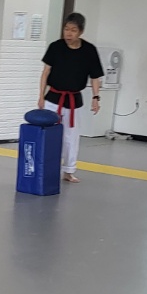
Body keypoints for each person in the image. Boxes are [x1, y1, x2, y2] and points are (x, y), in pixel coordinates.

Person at [37, 13, 104, 184]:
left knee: (71, 138)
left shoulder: (89, 50)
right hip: (53, 98)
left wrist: (96, 98)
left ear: (81, 32)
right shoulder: (55, 47)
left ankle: (68, 170)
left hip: (74, 100)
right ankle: (44, 168)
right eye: (66, 29)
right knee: (49, 135)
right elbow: (45, 72)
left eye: (73, 30)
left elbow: (95, 77)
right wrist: (41, 96)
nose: (68, 33)